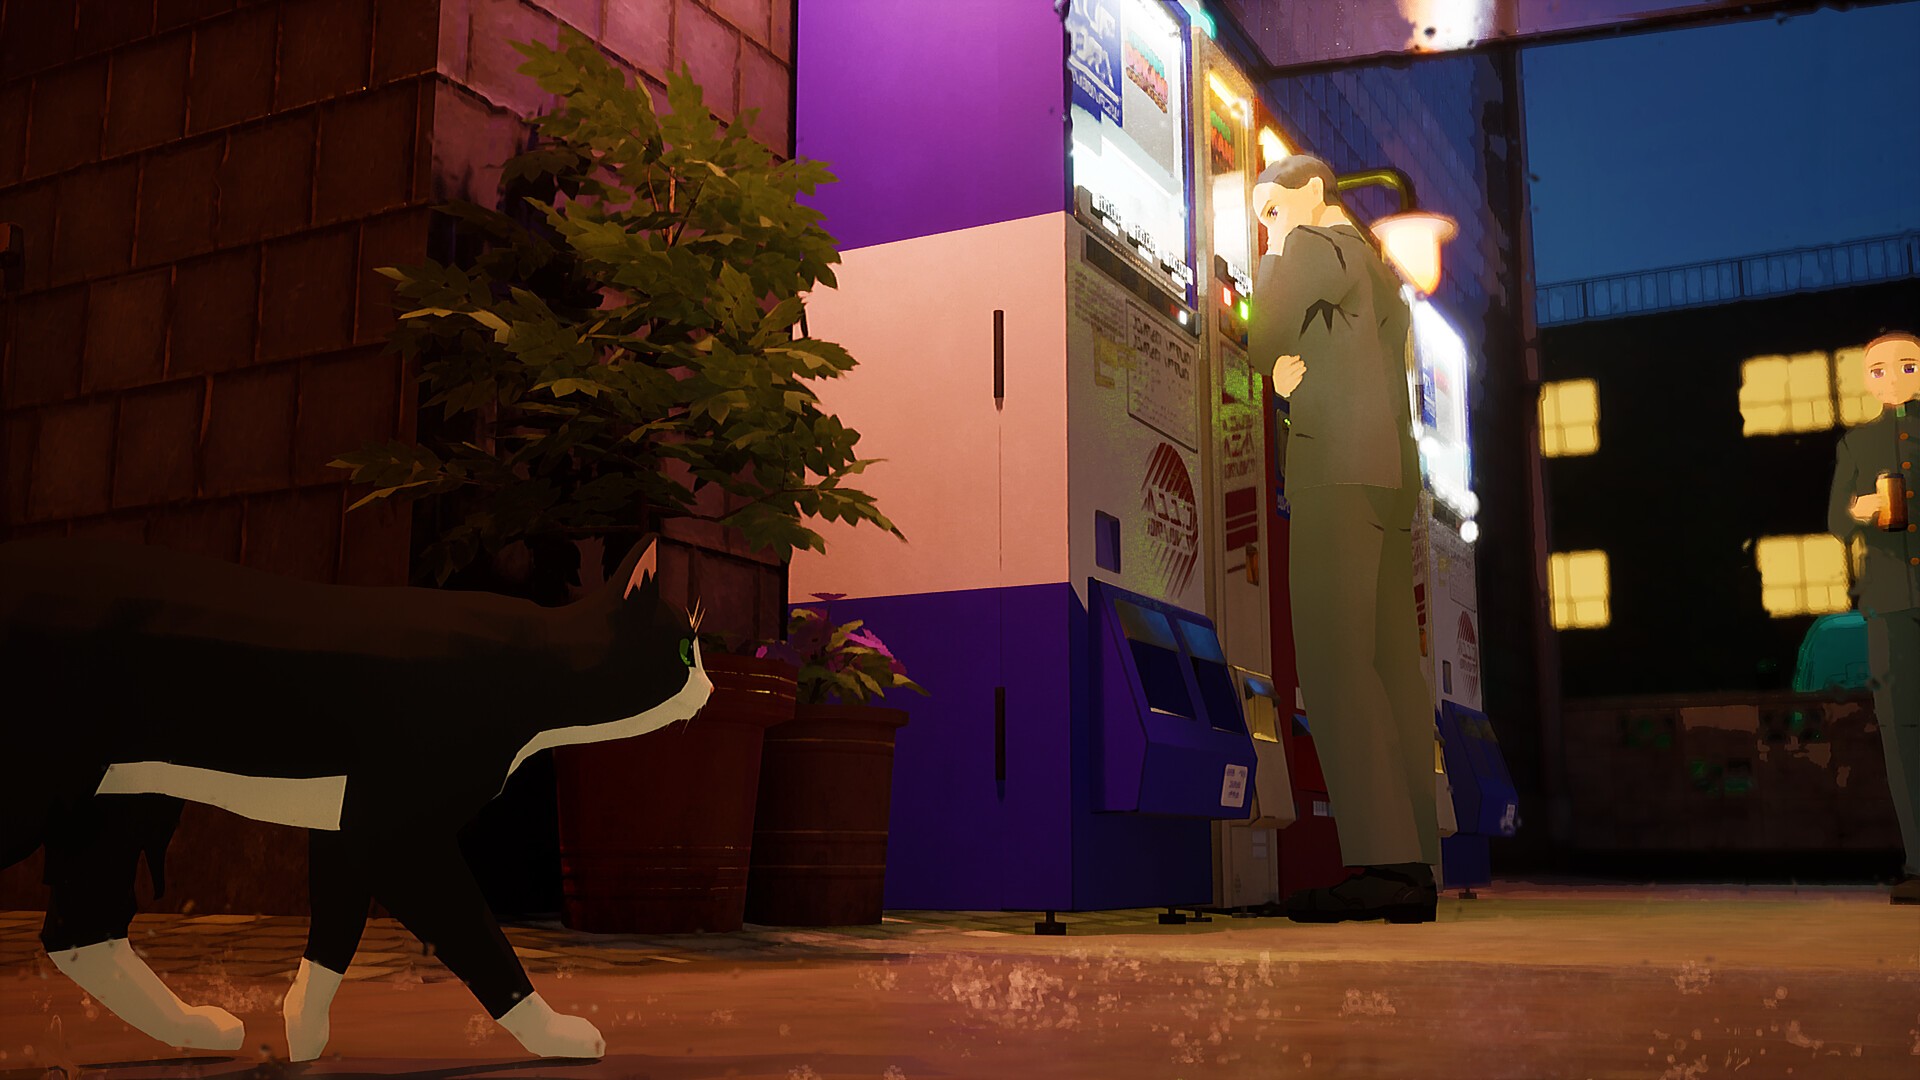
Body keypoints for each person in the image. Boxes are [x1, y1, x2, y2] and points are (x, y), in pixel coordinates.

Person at [1247, 155, 1438, 923]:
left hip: (1334, 469)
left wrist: (1266, 266)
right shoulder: (1377, 274)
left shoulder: (1312, 248)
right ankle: (1416, 866)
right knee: (1394, 670)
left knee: (1333, 661)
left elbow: (1263, 338)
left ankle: (1383, 864)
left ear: (1312, 196)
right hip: (1391, 482)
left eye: (1272, 208)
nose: (1269, 224)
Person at [1827, 331, 1920, 905]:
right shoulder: (1857, 445)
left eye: (1908, 365)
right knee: (1902, 734)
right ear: (1867, 379)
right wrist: (1860, 509)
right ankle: (1919, 861)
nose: (1894, 377)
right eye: (1880, 369)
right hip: (1888, 600)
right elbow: (1838, 520)